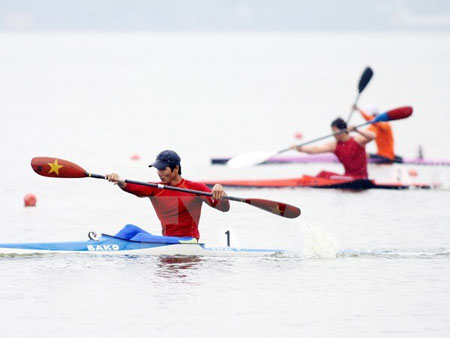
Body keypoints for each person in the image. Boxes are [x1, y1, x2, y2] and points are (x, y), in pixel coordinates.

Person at [105, 150, 230, 241]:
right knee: (130, 229)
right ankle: (103, 246)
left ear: (176, 168)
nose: (159, 173)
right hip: (167, 242)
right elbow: (132, 187)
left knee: (140, 238)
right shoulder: (156, 189)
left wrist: (220, 192)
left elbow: (224, 208)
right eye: (158, 169)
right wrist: (118, 180)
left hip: (187, 242)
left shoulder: (195, 188)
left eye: (163, 169)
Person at [291, 118, 375, 179]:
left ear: (341, 130)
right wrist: (299, 148)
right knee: (323, 174)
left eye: (334, 131)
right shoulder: (334, 145)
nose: (333, 134)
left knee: (325, 175)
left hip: (360, 178)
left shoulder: (358, 140)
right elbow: (316, 149)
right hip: (347, 178)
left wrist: (357, 130)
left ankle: (309, 184)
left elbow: (373, 136)